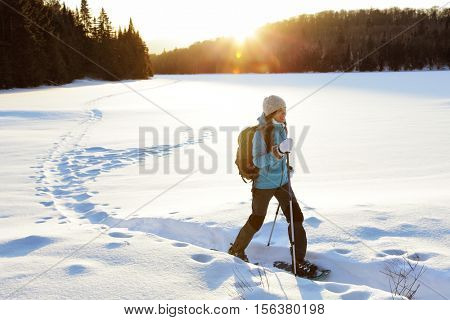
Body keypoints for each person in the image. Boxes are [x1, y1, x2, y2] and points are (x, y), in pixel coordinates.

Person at [228, 95, 316, 277]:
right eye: (280, 111)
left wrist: (288, 166)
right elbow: (258, 161)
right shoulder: (261, 133)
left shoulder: (282, 127)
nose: (284, 114)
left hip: (283, 182)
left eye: (285, 111)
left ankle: (298, 261)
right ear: (271, 113)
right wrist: (278, 151)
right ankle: (236, 249)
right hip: (264, 184)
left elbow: (285, 153)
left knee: (296, 217)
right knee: (257, 219)